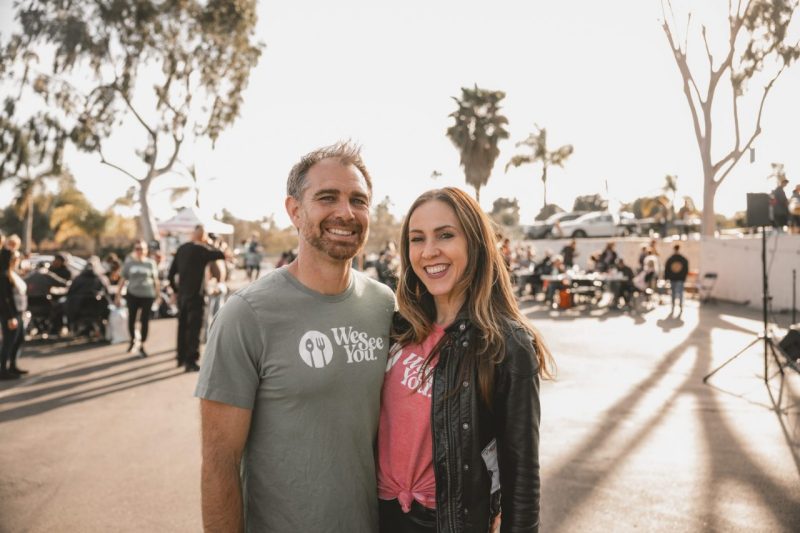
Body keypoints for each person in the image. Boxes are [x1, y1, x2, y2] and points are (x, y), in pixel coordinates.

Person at [195, 142, 395, 532]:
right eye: (327, 198)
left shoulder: (383, 304)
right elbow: (219, 465)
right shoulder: (246, 315)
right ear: (294, 211)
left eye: (359, 200)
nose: (346, 212)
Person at [377, 187, 553, 533]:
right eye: (417, 239)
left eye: (445, 235)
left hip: (446, 523)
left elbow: (522, 477)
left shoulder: (506, 344)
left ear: (474, 242)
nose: (429, 251)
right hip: (379, 517)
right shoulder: (397, 329)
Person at [167, 224, 226, 372]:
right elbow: (221, 254)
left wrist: (176, 290)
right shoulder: (202, 250)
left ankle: (180, 358)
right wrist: (209, 243)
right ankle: (191, 360)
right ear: (203, 236)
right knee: (194, 328)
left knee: (182, 326)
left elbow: (170, 274)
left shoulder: (182, 249)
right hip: (197, 296)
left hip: (183, 296)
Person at [116, 240, 160, 357]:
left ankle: (142, 344)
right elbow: (122, 280)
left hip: (147, 295)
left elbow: (156, 280)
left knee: (144, 321)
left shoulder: (150, 263)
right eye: (137, 248)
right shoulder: (129, 264)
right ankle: (133, 339)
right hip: (133, 294)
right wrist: (118, 295)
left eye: (141, 248)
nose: (139, 251)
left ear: (146, 250)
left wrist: (158, 295)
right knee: (132, 319)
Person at [66, 257, 112, 337]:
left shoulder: (78, 279)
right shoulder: (101, 279)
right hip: (97, 310)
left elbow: (70, 292)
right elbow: (107, 292)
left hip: (77, 309)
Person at [0, 249, 28, 379]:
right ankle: (3, 370)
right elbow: (5, 298)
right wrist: (11, 316)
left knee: (19, 339)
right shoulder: (4, 276)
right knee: (9, 342)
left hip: (19, 311)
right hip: (10, 314)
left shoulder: (13, 274)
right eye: (15, 258)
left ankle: (12, 365)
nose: (18, 261)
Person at [664, 244, 689, 316]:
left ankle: (674, 306)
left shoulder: (671, 258)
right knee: (679, 293)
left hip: (674, 278)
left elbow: (667, 269)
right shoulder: (682, 258)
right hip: (679, 278)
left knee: (674, 293)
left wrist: (666, 278)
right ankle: (679, 306)